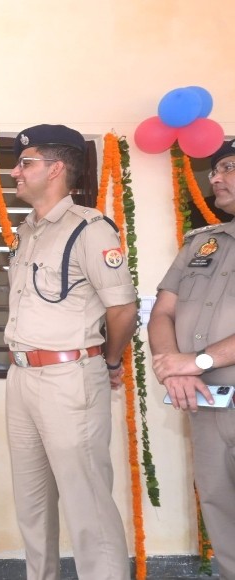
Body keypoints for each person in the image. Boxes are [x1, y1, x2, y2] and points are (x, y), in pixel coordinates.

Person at [3, 124, 137, 580]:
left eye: (26, 163)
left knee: (87, 504)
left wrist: (110, 361)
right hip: (22, 376)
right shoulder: (28, 230)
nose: (16, 172)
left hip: (69, 379)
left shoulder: (89, 228)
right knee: (32, 503)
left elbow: (123, 309)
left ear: (56, 168)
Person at [147, 138, 235, 579]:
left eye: (228, 167)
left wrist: (195, 361)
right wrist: (172, 367)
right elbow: (162, 312)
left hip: (205, 377)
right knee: (219, 504)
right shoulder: (202, 243)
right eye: (214, 169)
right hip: (207, 401)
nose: (215, 178)